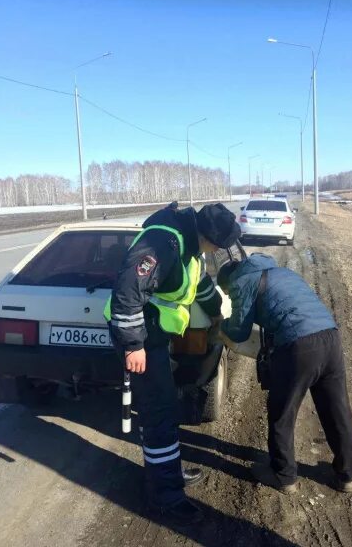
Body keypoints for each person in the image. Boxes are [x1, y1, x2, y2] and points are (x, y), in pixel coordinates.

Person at [105, 203, 240, 525]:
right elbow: (127, 292)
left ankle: (169, 474)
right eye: (216, 246)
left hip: (155, 335)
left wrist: (217, 310)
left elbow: (200, 285)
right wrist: (133, 345)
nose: (215, 252)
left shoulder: (189, 248)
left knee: (166, 409)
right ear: (206, 236)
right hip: (142, 339)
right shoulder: (163, 242)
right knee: (159, 412)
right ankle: (165, 497)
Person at [216, 253, 352, 495]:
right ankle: (346, 476)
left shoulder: (242, 282)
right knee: (336, 409)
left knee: (282, 411)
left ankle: (283, 476)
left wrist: (222, 325)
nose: (230, 295)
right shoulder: (282, 273)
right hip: (331, 338)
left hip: (299, 346)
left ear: (230, 280)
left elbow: (239, 332)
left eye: (227, 292)